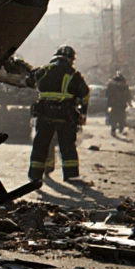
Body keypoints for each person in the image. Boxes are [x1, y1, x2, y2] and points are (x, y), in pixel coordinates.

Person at [28, 45, 90, 183]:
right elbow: (85, 94)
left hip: (45, 114)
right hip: (65, 116)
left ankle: (35, 175)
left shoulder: (43, 70)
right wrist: (83, 113)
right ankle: (71, 175)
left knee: (40, 144)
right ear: (71, 59)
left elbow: (28, 80)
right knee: (67, 145)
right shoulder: (74, 74)